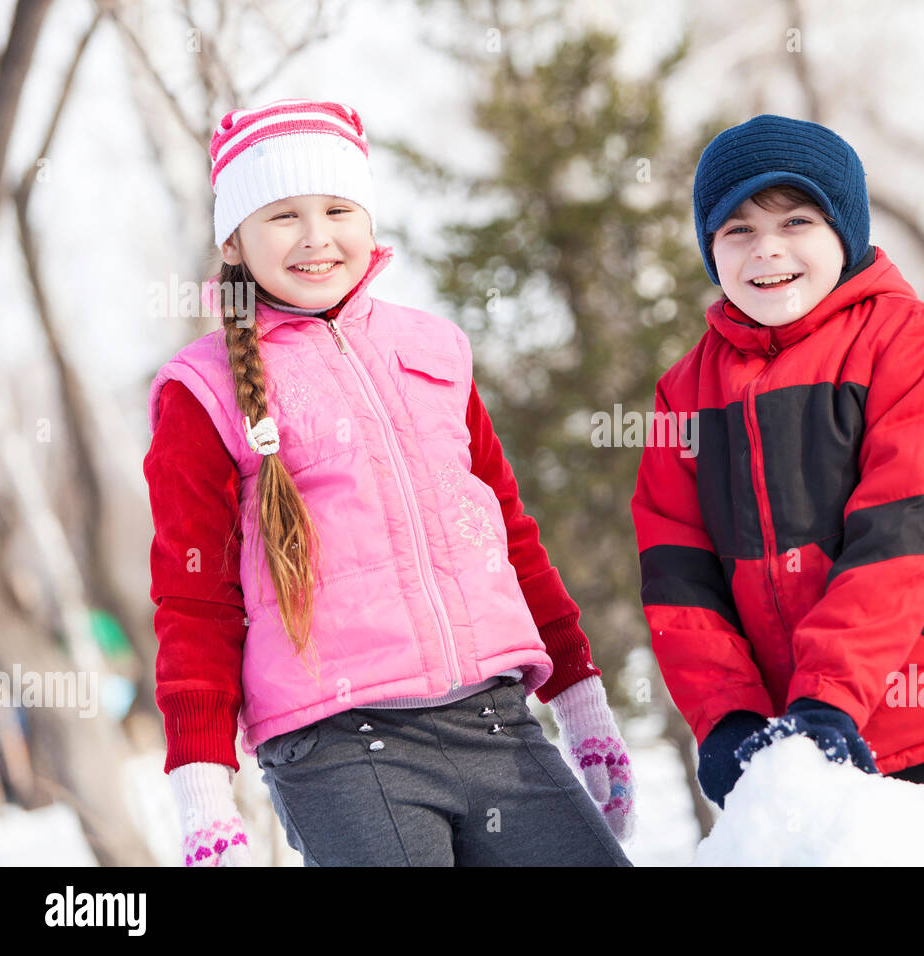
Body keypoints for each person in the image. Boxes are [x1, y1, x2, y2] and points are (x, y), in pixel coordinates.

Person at [144, 99, 633, 867]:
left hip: (496, 726)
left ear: (368, 219)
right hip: (341, 749)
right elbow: (194, 599)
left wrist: (581, 700)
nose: (316, 236)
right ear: (234, 240)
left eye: (338, 207)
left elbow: (507, 532)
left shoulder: (432, 351)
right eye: (282, 215)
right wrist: (205, 793)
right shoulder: (201, 389)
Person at [631, 114, 924, 866]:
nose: (765, 247)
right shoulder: (683, 395)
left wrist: (828, 697)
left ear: (846, 231)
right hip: (800, 761)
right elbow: (678, 572)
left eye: (795, 219)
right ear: (709, 249)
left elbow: (905, 533)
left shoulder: (910, 342)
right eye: (735, 229)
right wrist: (726, 713)